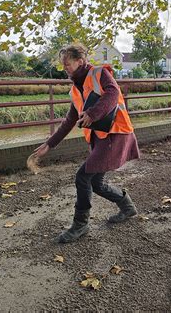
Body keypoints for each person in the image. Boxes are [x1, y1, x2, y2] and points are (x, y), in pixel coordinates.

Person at [32, 43, 140, 243]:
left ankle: (80, 225)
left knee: (83, 176)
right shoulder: (76, 89)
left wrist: (92, 113)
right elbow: (70, 120)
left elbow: (113, 93)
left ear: (80, 61)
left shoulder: (99, 73)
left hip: (115, 134)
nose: (65, 69)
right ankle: (127, 206)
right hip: (100, 137)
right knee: (96, 183)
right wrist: (50, 144)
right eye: (63, 66)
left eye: (67, 65)